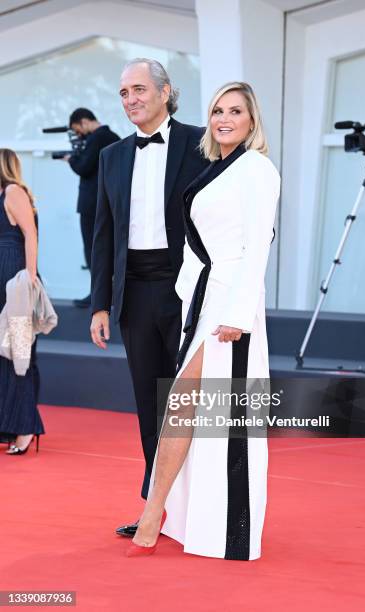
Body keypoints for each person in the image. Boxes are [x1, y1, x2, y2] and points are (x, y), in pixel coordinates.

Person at [126, 82, 280, 560]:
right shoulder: (218, 168)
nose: (224, 118)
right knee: (189, 407)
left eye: (235, 111)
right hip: (205, 299)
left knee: (202, 408)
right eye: (217, 110)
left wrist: (237, 314)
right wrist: (188, 293)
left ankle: (174, 518)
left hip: (233, 304)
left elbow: (258, 244)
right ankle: (169, 513)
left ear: (252, 121)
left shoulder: (257, 169)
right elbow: (197, 243)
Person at [90, 59, 209, 536]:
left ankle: (199, 508)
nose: (130, 99)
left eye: (139, 89)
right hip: (134, 291)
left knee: (192, 401)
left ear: (164, 92)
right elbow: (104, 233)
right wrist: (101, 302)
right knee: (148, 403)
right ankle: (154, 506)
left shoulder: (199, 142)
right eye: (123, 93)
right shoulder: (111, 157)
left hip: (186, 286)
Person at [0, 149, 44, 454]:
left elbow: (30, 234)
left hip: (14, 279)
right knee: (3, 352)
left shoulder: (13, 191)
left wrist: (29, 278)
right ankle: (8, 425)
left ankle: (25, 427)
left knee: (18, 352)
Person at [65, 108, 120, 308]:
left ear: (84, 121)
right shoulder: (114, 137)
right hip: (110, 202)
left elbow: (83, 167)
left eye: (77, 128)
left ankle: (97, 295)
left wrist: (71, 159)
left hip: (91, 204)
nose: (79, 133)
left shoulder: (96, 138)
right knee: (109, 247)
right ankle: (112, 293)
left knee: (92, 249)